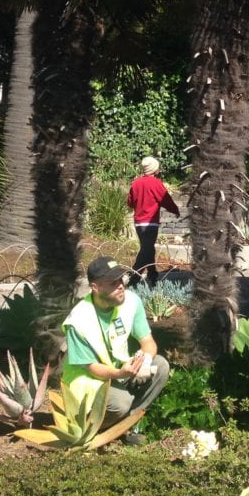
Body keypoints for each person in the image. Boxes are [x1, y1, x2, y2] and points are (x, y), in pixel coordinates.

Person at [61, 255, 170, 442]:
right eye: (112, 283)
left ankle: (123, 427)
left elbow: (148, 342)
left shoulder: (132, 302)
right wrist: (121, 373)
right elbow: (93, 369)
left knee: (160, 366)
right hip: (88, 383)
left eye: (121, 279)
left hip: (119, 372)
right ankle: (89, 432)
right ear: (95, 287)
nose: (121, 285)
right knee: (121, 402)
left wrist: (146, 361)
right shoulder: (78, 320)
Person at [127, 156, 180, 287]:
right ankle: (133, 278)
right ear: (154, 169)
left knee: (148, 248)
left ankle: (152, 276)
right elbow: (165, 199)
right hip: (151, 223)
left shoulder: (136, 183)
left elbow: (130, 202)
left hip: (139, 223)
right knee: (146, 249)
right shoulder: (156, 183)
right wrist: (175, 210)